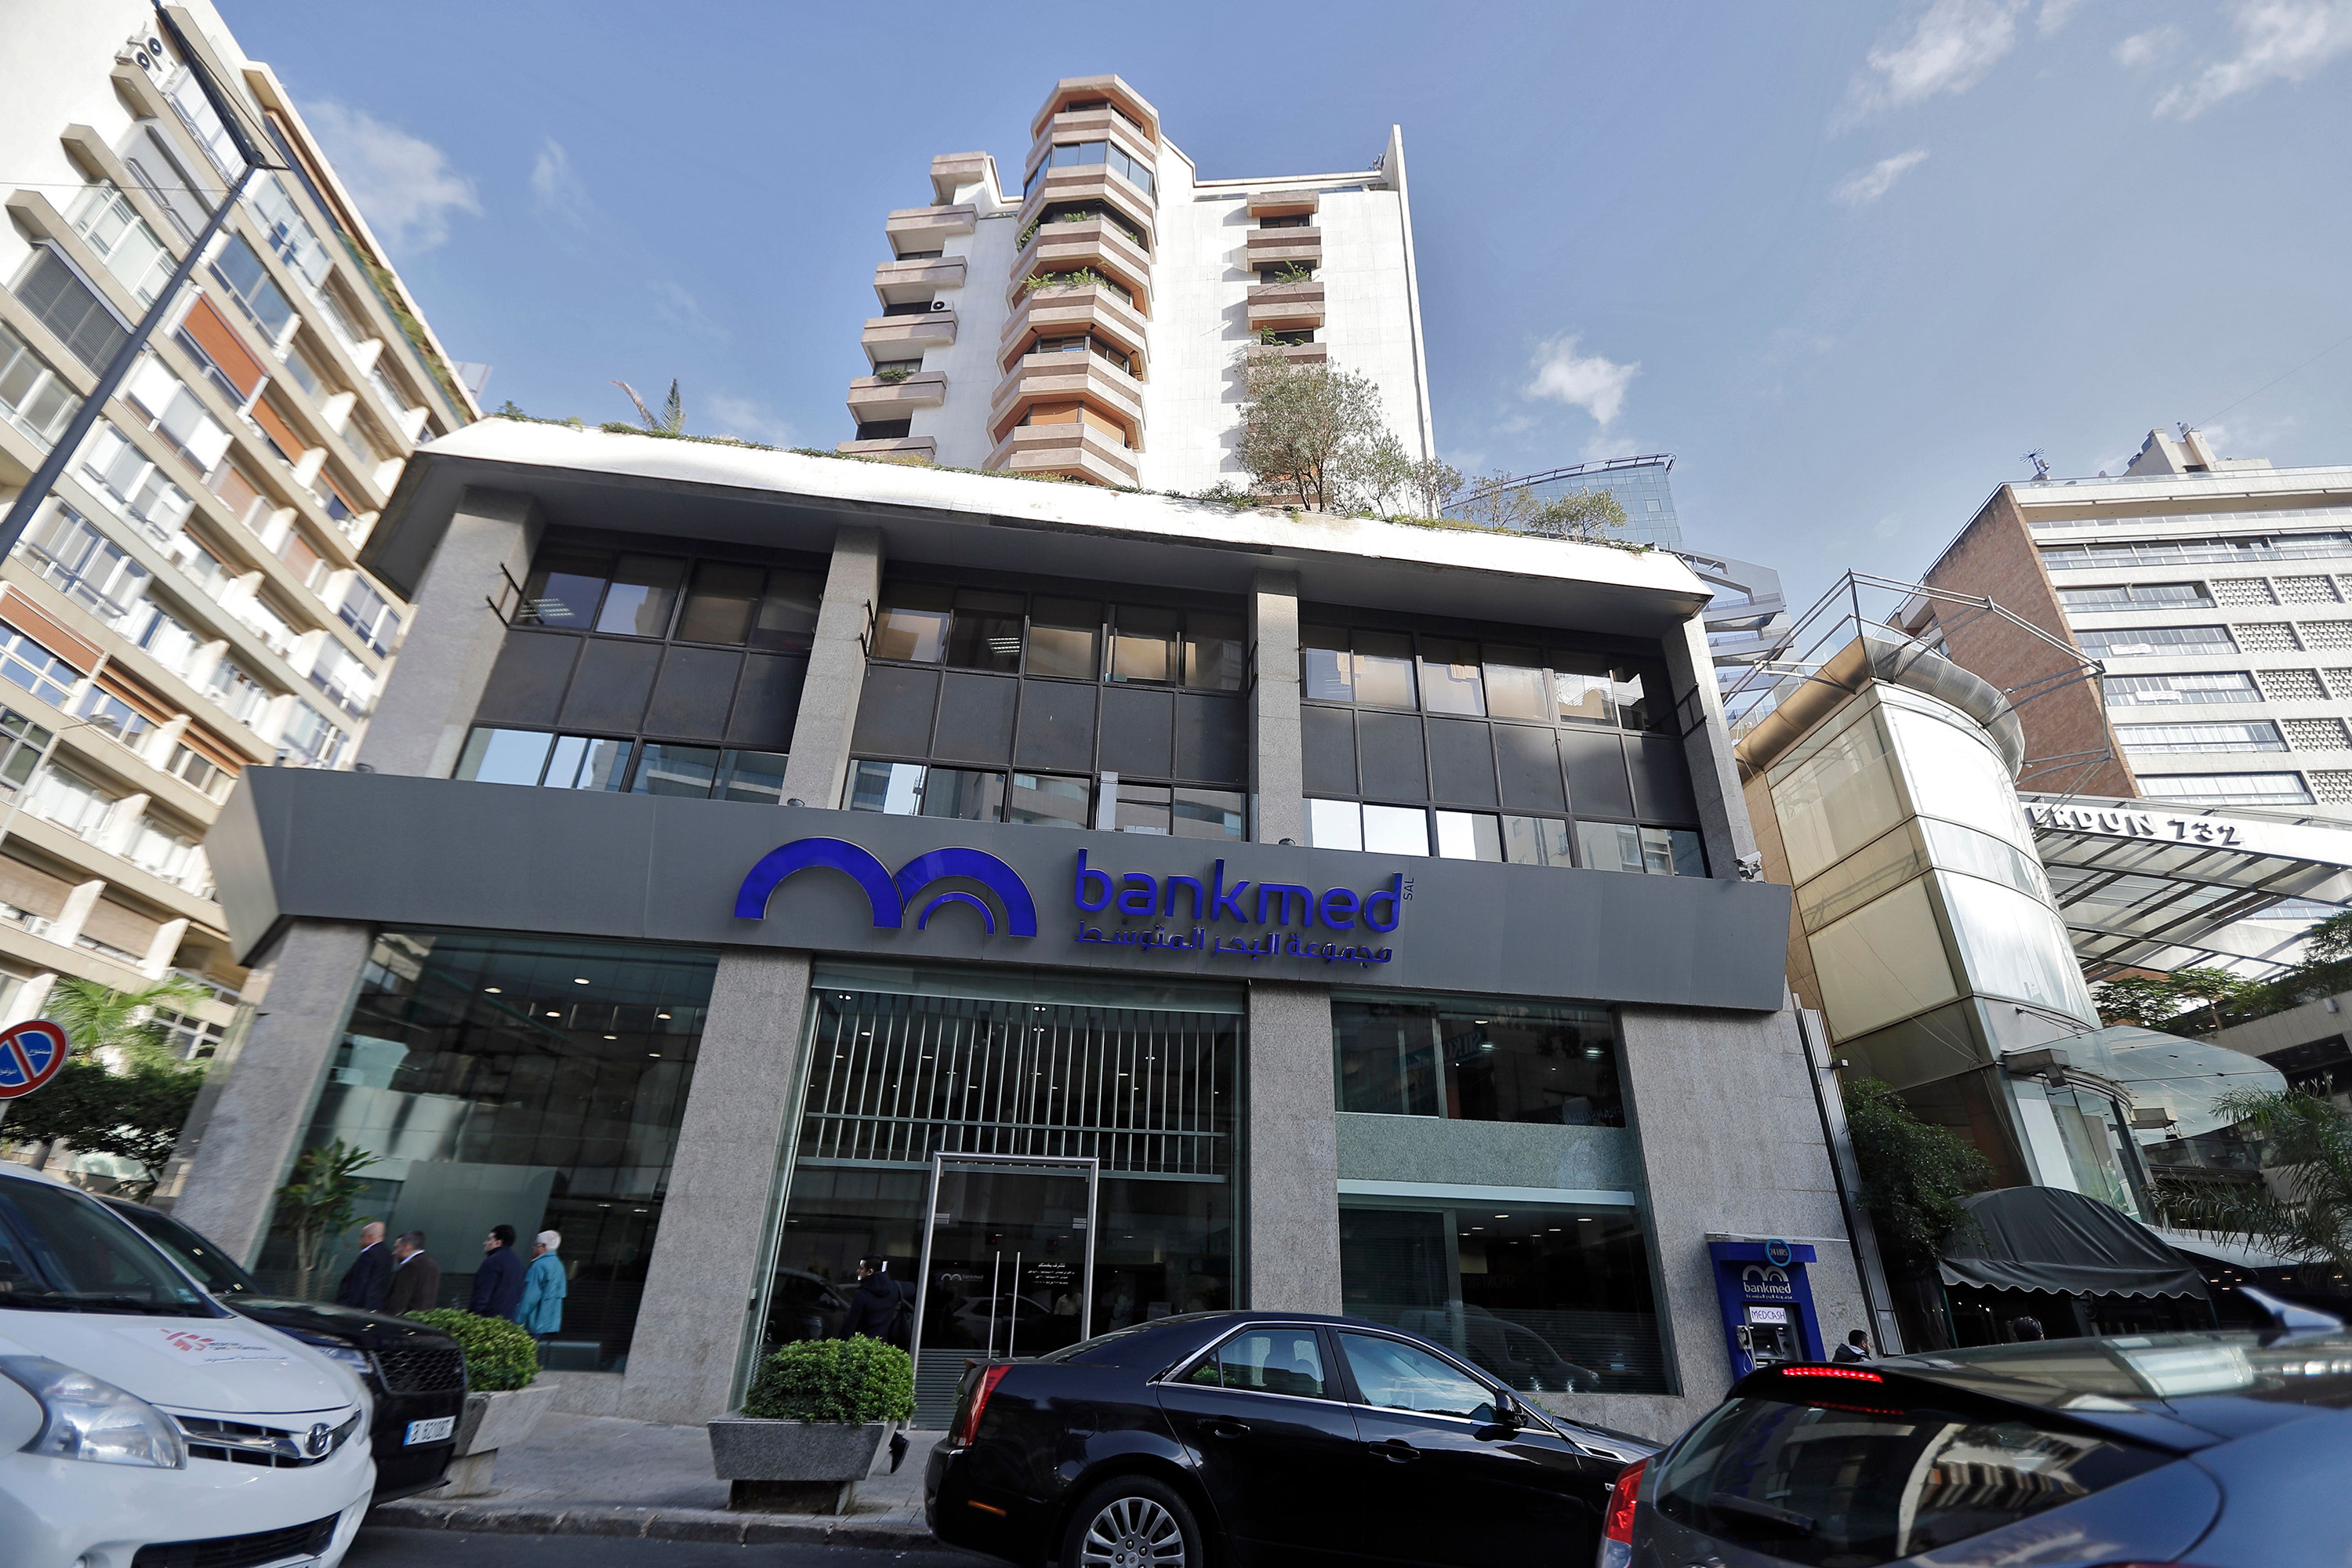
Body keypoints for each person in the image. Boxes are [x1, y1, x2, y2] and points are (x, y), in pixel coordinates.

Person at [841, 1255, 912, 1348]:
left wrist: (841, 1344)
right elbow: (912, 1288)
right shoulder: (894, 1288)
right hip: (883, 1346)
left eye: (861, 1268)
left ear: (870, 1272)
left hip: (862, 1346)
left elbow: (850, 1325)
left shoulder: (862, 1294)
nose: (858, 1271)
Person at [517, 1230, 568, 1344]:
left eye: (535, 1244)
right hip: (550, 1326)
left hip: (533, 1325)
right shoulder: (559, 1266)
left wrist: (516, 1321)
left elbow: (529, 1298)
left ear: (543, 1247)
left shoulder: (539, 1266)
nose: (532, 1247)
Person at [471, 1225, 527, 1320]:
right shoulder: (519, 1265)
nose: (484, 1243)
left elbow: (481, 1295)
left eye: (489, 1239)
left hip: (487, 1320)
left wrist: (473, 1317)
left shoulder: (492, 1262)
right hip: (507, 1321)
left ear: (498, 1243)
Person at [333, 1220, 392, 1311]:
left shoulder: (369, 1254)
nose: (359, 1241)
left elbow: (359, 1282)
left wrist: (348, 1306)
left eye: (362, 1236)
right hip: (376, 1305)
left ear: (370, 1236)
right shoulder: (387, 1253)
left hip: (361, 1305)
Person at [382, 1231, 441, 1317]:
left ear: (406, 1247)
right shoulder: (432, 1265)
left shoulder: (411, 1266)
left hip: (406, 1317)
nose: (394, 1252)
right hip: (423, 1317)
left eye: (397, 1247)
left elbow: (400, 1297)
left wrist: (390, 1316)